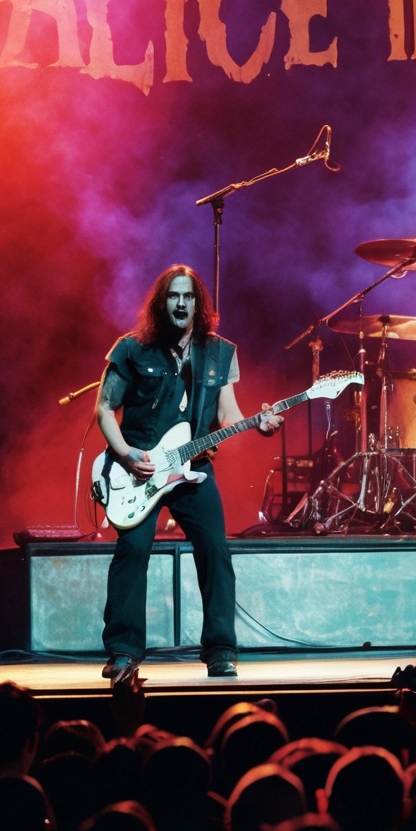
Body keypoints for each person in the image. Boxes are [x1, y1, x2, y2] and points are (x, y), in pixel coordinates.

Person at [95, 266, 282, 682]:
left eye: (189, 296)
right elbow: (104, 409)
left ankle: (220, 649)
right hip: (140, 470)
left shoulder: (217, 353)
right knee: (133, 551)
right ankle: (124, 651)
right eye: (173, 296)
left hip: (192, 468)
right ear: (162, 303)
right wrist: (125, 455)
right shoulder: (132, 349)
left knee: (215, 549)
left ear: (199, 303)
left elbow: (228, 414)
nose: (181, 303)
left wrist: (261, 422)